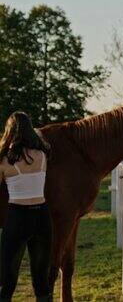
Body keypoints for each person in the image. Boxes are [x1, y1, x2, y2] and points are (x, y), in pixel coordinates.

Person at [0, 112, 52, 302]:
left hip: (17, 218)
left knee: (7, 276)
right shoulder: (43, 155)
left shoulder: (5, 160)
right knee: (41, 278)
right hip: (42, 217)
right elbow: (40, 136)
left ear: (9, 131)